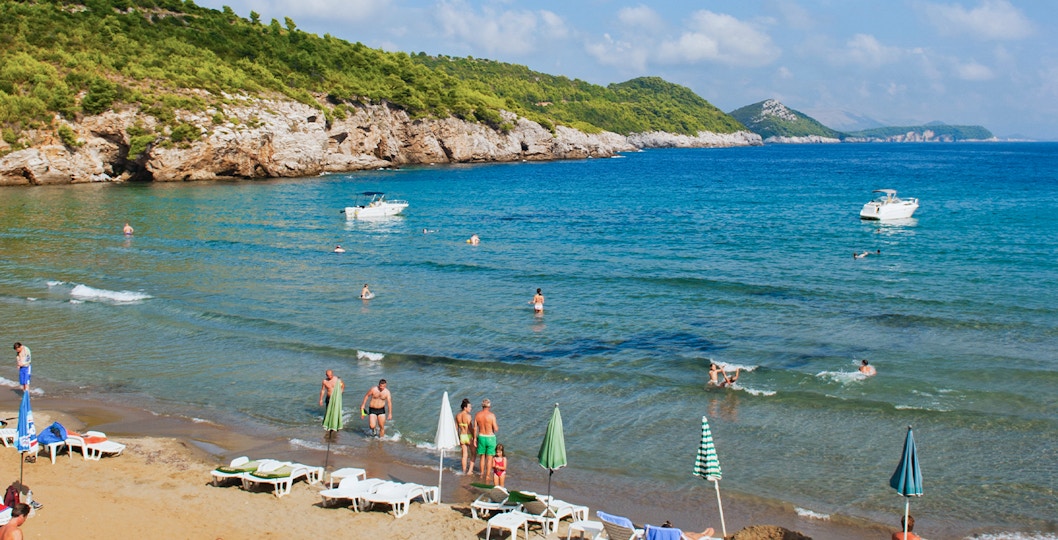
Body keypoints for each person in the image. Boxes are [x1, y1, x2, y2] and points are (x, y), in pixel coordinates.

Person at [473, 398, 499, 482]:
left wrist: (474, 439)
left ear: (482, 406)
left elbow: (475, 428)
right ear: (489, 406)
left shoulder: (477, 415)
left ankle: (481, 474)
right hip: (490, 437)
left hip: (481, 436)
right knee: (489, 458)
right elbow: (496, 428)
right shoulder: (492, 415)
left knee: (482, 457)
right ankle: (487, 476)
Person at [456, 399, 475, 475]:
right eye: (469, 407)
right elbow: (470, 428)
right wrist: (474, 437)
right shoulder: (468, 416)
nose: (471, 408)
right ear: (465, 408)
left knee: (464, 455)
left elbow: (456, 428)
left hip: (462, 436)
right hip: (468, 436)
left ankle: (464, 471)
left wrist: (458, 438)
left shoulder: (457, 416)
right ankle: (470, 471)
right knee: (473, 453)